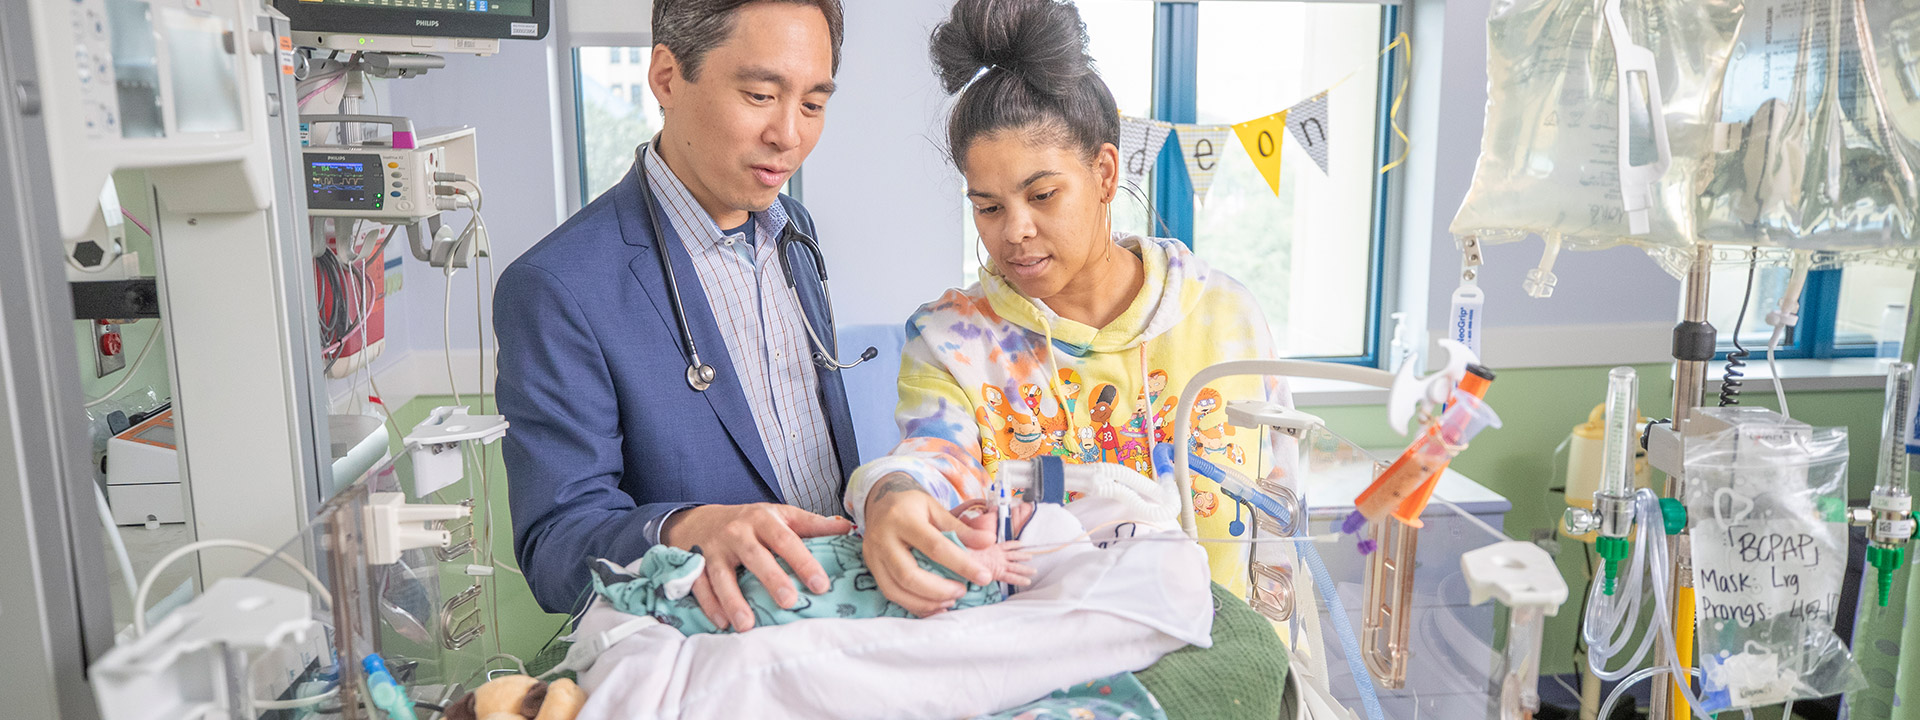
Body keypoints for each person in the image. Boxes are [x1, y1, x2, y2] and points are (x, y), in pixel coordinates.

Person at [847, 0, 1295, 616]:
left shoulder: (1225, 319)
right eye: (989, 207)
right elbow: (932, 465)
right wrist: (889, 493)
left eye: (1043, 194)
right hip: (1047, 680)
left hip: (1221, 666)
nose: (1015, 232)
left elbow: (1278, 517)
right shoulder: (953, 341)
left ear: (1105, 174)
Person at [493, 0, 894, 632]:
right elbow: (556, 546)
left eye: (813, 105)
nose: (789, 135)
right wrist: (685, 527)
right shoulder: (558, 288)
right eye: (761, 95)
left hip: (846, 617)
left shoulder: (795, 233)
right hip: (712, 649)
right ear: (667, 77)